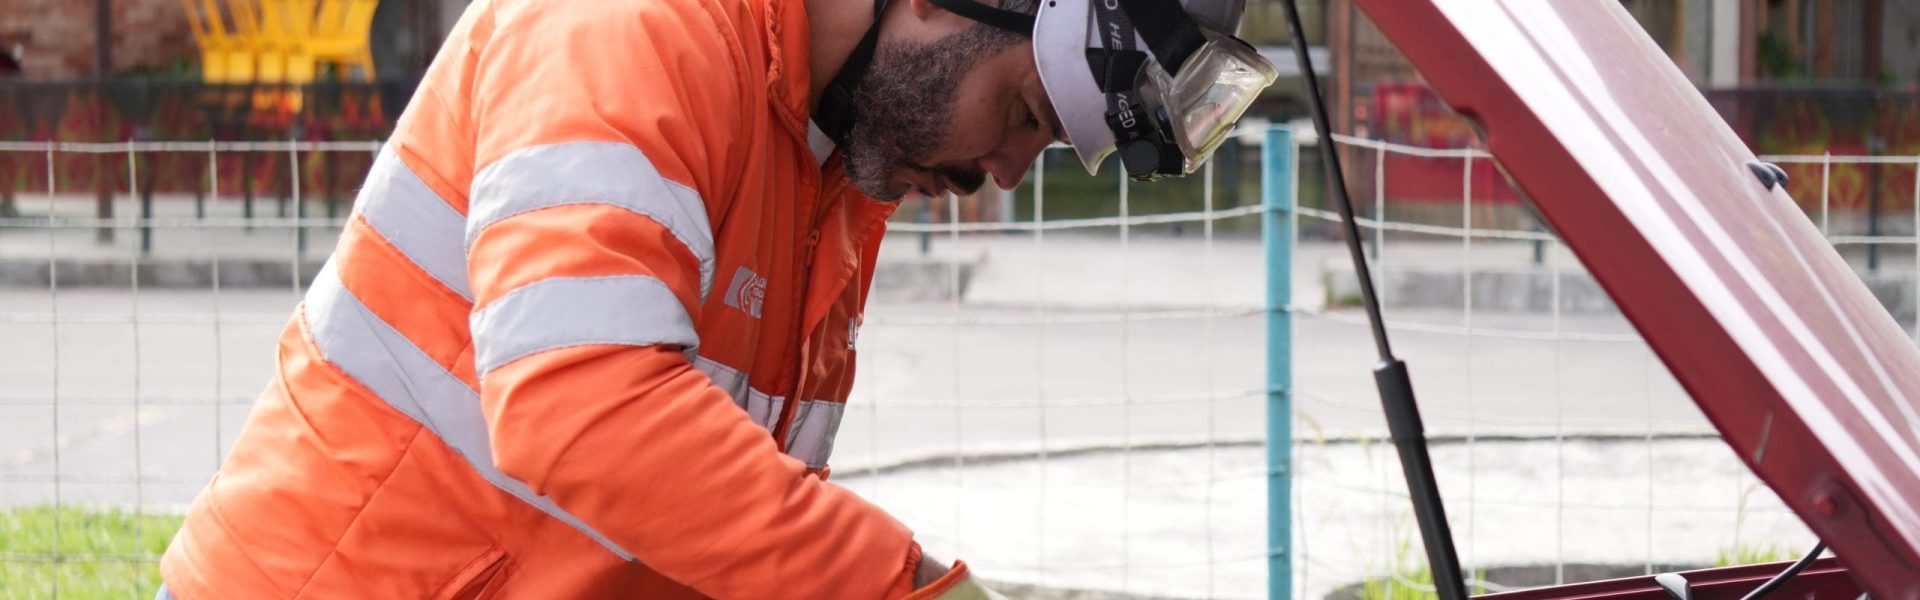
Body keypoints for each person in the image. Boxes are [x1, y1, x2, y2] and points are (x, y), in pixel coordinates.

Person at [157, 0, 1272, 596]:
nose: (1007, 173)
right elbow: (583, 406)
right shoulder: (634, 26)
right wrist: (902, 591)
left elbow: (721, 527)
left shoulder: (839, 174)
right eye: (1023, 113)